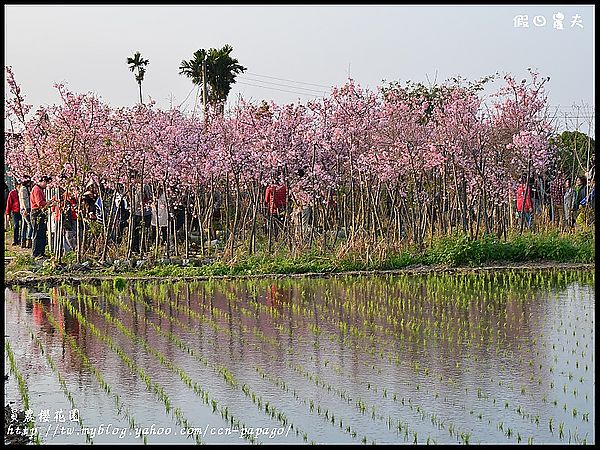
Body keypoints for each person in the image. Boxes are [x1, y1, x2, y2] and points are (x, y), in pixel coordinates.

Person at [30, 176, 51, 258]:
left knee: (42, 233)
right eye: (46, 183)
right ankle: (36, 253)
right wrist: (48, 203)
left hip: (40, 212)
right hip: (37, 212)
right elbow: (40, 203)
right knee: (37, 233)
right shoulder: (37, 189)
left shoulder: (40, 190)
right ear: (42, 181)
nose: (46, 185)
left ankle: (41, 252)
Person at [5, 180, 21, 246]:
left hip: (23, 211)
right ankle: (15, 240)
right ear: (16, 186)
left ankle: (21, 239)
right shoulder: (12, 193)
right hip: (15, 211)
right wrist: (7, 212)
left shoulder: (24, 192)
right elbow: (9, 203)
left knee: (23, 226)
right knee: (16, 225)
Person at [18, 177, 33, 248]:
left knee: (24, 226)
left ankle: (23, 242)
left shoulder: (23, 188)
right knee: (30, 225)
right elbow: (24, 200)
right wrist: (26, 210)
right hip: (25, 209)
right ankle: (29, 240)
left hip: (23, 208)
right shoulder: (23, 189)